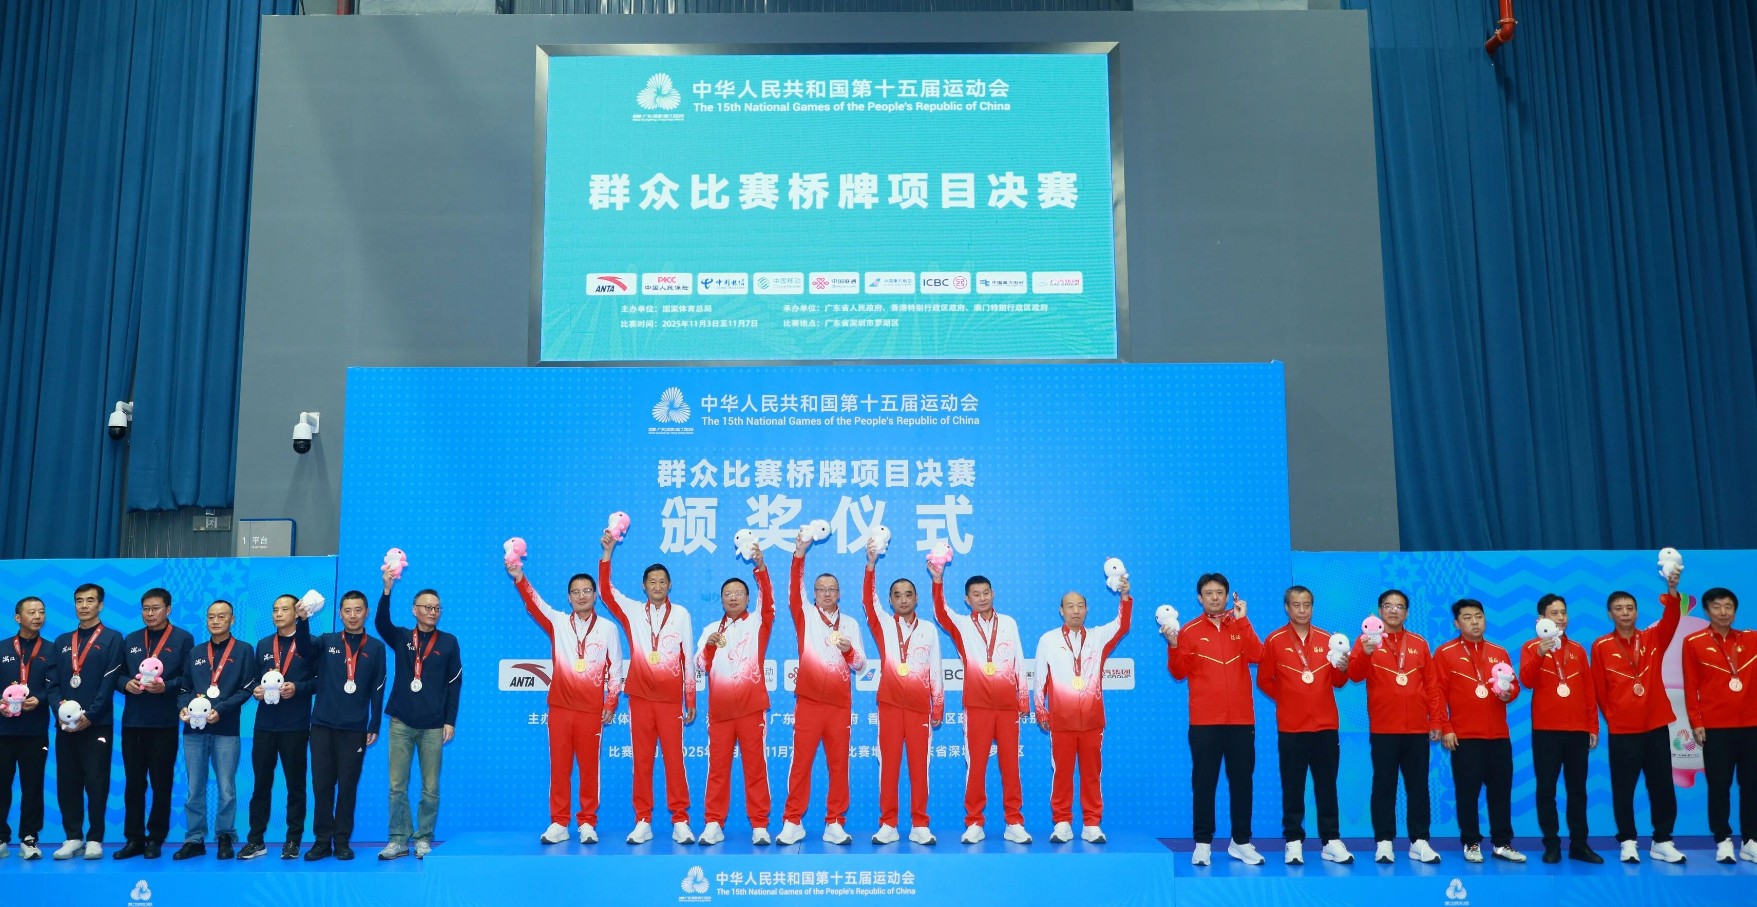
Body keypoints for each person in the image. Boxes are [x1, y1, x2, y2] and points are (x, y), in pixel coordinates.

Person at [510, 559, 621, 846]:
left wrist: (611, 701)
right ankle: (559, 822)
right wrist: (520, 577)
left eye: (587, 591)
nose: (582, 596)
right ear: (569, 597)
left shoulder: (608, 628)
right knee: (559, 768)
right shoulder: (558, 622)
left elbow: (616, 668)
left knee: (589, 769)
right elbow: (535, 604)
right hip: (560, 708)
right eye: (576, 592)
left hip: (591, 711)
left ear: (595, 595)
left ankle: (587, 822)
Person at [600, 528, 696, 844]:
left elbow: (688, 656)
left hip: (670, 700)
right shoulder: (632, 611)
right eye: (652, 582)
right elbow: (606, 592)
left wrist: (690, 697)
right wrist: (608, 553)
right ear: (644, 586)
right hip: (640, 697)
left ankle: (680, 820)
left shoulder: (681, 614)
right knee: (642, 761)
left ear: (670, 585)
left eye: (662, 582)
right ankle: (643, 820)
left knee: (674, 760)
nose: (657, 586)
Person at [777, 529, 867, 846]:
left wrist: (849, 651)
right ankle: (793, 821)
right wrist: (799, 554)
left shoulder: (850, 624)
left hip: (839, 705)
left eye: (832, 590)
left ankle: (835, 822)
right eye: (821, 589)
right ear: (813, 594)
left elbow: (861, 665)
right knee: (801, 764)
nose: (827, 594)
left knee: (839, 765)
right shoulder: (805, 615)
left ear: (839, 594)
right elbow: (793, 588)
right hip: (809, 703)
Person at [1166, 573, 1264, 865]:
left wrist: (1243, 621)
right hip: (1205, 722)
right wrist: (1173, 645)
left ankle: (1241, 841)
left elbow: (1257, 654)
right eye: (1208, 593)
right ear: (1200, 598)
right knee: (1204, 783)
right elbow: (1178, 672)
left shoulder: (1239, 624)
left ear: (1228, 595)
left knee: (1242, 782)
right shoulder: (1189, 630)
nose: (1214, 597)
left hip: (1241, 721)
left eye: (1219, 592)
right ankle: (1202, 843)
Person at [930, 564, 1030, 844]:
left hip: (1007, 707)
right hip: (976, 708)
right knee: (976, 766)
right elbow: (940, 612)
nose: (982, 598)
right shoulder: (962, 625)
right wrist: (937, 580)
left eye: (986, 593)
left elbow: (1019, 659)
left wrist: (1023, 697)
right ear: (967, 599)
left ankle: (1014, 822)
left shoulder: (1008, 623)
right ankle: (974, 821)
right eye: (976, 594)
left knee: (1011, 766)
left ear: (993, 593)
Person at [1591, 571, 1686, 864]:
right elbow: (1599, 689)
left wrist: (1672, 590)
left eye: (1629, 608)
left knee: (1662, 786)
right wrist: (1615, 717)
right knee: (1624, 788)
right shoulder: (1601, 645)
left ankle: (1662, 840)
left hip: (1655, 725)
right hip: (1623, 730)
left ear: (1637, 612)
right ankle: (1628, 841)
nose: (1625, 612)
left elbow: (1672, 619)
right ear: (1610, 614)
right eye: (1618, 608)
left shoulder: (1652, 637)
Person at [1348, 589, 1444, 864]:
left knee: (1418, 786)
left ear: (1407, 613)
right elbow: (1354, 675)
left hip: (1417, 729)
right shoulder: (1366, 641)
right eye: (1388, 606)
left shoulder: (1419, 643)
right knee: (1384, 786)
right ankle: (1384, 842)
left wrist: (1436, 719)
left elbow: (1432, 685)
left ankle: (1420, 841)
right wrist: (1365, 654)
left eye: (1399, 606)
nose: (1393, 611)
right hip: (1384, 728)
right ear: (1380, 611)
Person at [1256, 586, 1351, 865]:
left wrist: (1343, 667)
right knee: (1293, 786)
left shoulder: (1328, 639)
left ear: (1312, 607)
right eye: (1296, 605)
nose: (1302, 610)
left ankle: (1331, 841)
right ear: (1287, 607)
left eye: (1306, 604)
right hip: (1292, 727)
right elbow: (1264, 680)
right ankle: (1293, 841)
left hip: (1325, 726)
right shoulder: (1274, 640)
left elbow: (1338, 682)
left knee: (1327, 785)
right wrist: (1288, 699)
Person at [1034, 575, 1131, 844]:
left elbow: (1122, 625)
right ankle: (1062, 822)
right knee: (1062, 774)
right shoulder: (1048, 640)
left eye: (1080, 606)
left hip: (1092, 720)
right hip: (1061, 721)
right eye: (1070, 606)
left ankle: (1091, 823)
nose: (1075, 611)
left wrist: (1124, 596)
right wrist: (1041, 710)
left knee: (1091, 775)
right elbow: (1040, 677)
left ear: (1087, 610)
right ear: (1061, 611)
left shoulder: (1098, 637)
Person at [376, 568, 462, 860]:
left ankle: (423, 838)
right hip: (401, 722)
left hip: (434, 726)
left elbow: (454, 683)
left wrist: (449, 720)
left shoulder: (448, 641)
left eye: (437, 608)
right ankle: (398, 840)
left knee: (431, 787)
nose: (433, 612)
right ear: (415, 610)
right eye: (427, 607)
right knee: (396, 786)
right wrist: (387, 590)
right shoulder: (402, 636)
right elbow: (381, 623)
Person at [862, 538, 944, 845]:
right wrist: (871, 565)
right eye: (897, 595)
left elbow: (935, 666)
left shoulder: (928, 629)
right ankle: (888, 824)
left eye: (908, 594)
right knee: (890, 766)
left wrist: (938, 703)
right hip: (890, 705)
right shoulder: (883, 624)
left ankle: (920, 824)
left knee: (919, 767)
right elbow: (868, 601)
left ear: (917, 597)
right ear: (890, 600)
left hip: (920, 707)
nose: (903, 599)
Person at [694, 546, 777, 846]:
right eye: (727, 593)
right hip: (720, 713)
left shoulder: (758, 623)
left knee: (755, 768)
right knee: (718, 770)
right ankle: (713, 823)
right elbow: (700, 665)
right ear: (721, 599)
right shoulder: (709, 630)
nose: (733, 597)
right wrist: (709, 646)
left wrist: (760, 567)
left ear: (747, 598)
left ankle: (760, 825)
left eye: (738, 593)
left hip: (752, 710)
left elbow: (769, 603)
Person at [1433, 598, 1525, 863]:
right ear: (1456, 623)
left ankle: (1502, 843)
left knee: (1501, 791)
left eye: (1479, 616)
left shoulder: (1499, 651)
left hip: (1498, 736)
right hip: (1464, 737)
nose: (1474, 622)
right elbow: (1437, 693)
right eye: (1467, 617)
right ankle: (1471, 842)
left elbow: (1514, 686)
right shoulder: (1445, 653)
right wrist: (1446, 727)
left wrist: (1509, 693)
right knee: (1467, 793)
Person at [44, 582, 125, 860]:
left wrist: (90, 715)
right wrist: (60, 710)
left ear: (100, 605)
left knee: (96, 780)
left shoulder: (113, 638)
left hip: (96, 725)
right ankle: (73, 837)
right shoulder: (62, 641)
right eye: (79, 600)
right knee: (67, 781)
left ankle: (95, 838)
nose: (84, 605)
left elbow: (109, 681)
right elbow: (52, 682)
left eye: (90, 600)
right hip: (65, 726)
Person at [1519, 593, 1602, 864]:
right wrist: (1540, 653)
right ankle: (1551, 844)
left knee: (1578, 790)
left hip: (1577, 729)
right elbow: (1527, 681)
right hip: (1546, 730)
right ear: (1541, 619)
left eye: (1563, 612)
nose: (1561, 617)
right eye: (1554, 613)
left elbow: (1588, 690)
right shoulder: (1531, 647)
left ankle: (1579, 844)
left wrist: (1592, 726)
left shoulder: (1577, 649)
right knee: (1547, 789)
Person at [305, 590, 386, 861]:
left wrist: (374, 723)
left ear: (366, 612)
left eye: (358, 610)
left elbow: (378, 687)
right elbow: (304, 649)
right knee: (322, 786)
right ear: (340, 614)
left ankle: (341, 841)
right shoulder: (326, 641)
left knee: (348, 786)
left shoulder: (375, 647)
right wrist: (303, 620)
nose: (353, 616)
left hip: (354, 729)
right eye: (348, 611)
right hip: (322, 726)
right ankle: (321, 841)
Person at [173, 600, 255, 860]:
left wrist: (222, 709)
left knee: (226, 788)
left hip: (226, 729)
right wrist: (183, 708)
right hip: (193, 731)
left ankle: (224, 836)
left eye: (221, 616)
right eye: (211, 617)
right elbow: (185, 687)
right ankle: (194, 839)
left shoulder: (243, 650)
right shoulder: (196, 652)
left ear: (232, 620)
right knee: (194, 788)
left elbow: (247, 687)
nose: (216, 621)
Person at [240, 594, 319, 860]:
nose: (278, 614)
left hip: (295, 726)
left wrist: (298, 688)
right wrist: (256, 690)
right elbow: (252, 679)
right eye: (275, 609)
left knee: (296, 785)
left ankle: (293, 840)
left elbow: (318, 681)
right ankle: (256, 840)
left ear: (296, 613)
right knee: (260, 785)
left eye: (284, 609)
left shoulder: (310, 643)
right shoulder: (264, 644)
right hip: (264, 726)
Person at [1682, 586, 1757, 864]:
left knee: (1752, 786)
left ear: (1735, 610)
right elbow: (1690, 685)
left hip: (1752, 726)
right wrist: (1697, 721)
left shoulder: (1752, 639)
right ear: (1706, 611)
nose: (1723, 612)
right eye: (1716, 606)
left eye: (1728, 606)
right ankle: (1723, 840)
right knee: (1719, 786)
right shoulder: (1693, 642)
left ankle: (1750, 841)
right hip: (1715, 727)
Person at [116, 588, 192, 860]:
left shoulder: (183, 638)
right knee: (134, 783)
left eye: (155, 608)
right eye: (145, 608)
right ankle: (134, 838)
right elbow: (118, 674)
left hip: (164, 723)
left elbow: (189, 679)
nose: (150, 613)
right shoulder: (132, 639)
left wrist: (166, 687)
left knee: (162, 783)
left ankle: (155, 838)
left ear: (168, 609)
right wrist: (126, 684)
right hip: (133, 723)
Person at [0, 596, 52, 860]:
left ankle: (29, 838)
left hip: (35, 731)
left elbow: (55, 686)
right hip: (3, 731)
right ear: (18, 618)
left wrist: (39, 699)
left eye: (41, 612)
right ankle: (1, 837)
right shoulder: (2, 648)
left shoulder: (51, 649)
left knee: (33, 786)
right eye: (31, 612)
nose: (37, 616)